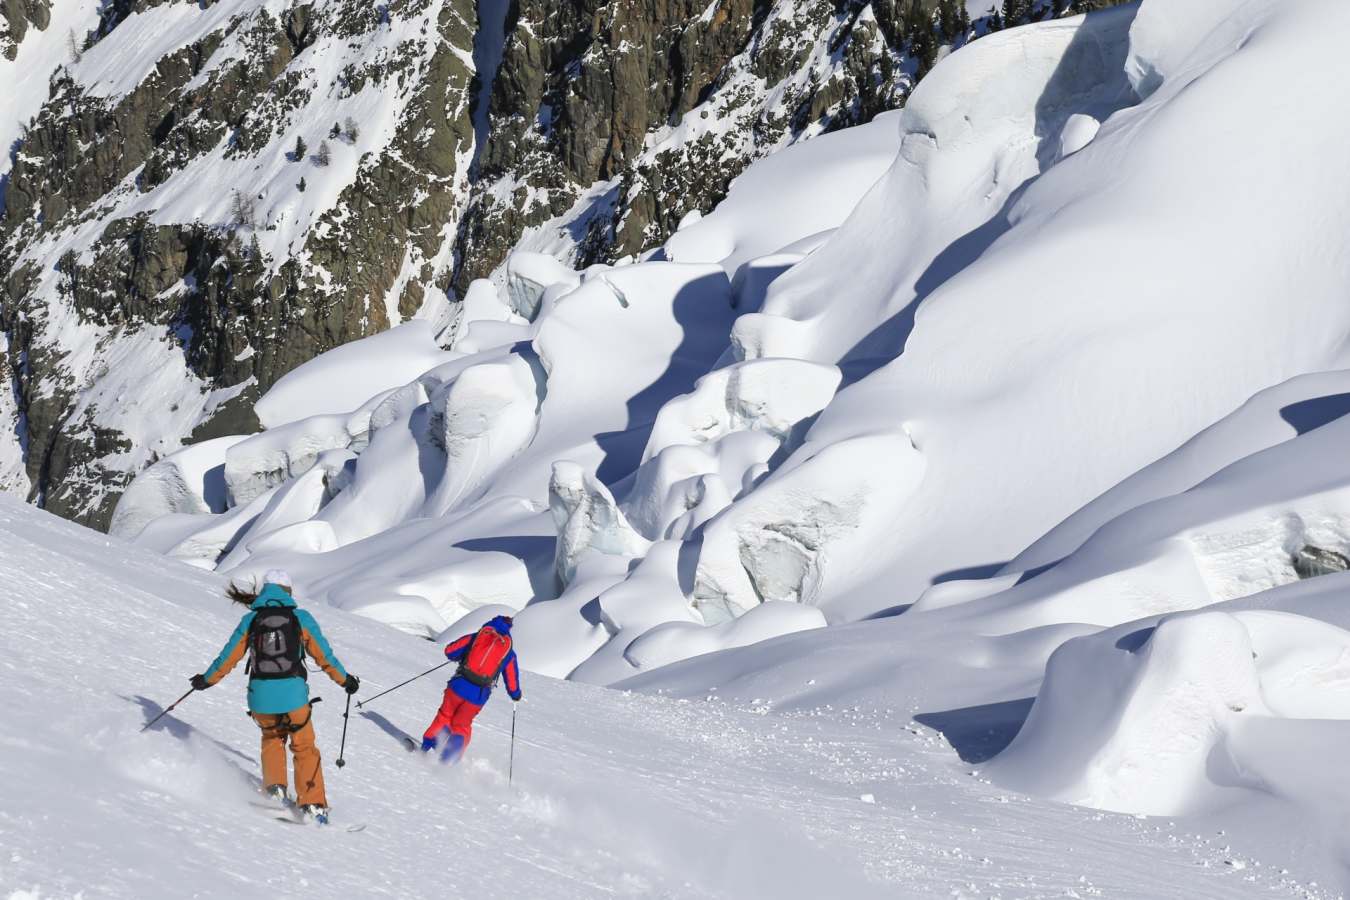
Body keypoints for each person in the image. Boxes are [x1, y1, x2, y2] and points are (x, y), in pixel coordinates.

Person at [190, 569, 359, 825]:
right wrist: (346, 680)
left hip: (260, 699)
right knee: (304, 747)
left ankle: (274, 791)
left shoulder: (251, 620)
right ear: (288, 592)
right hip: (293, 699)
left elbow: (229, 656)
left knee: (272, 737)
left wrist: (206, 679)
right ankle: (312, 804)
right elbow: (324, 656)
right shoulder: (300, 618)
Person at [421, 615, 522, 763]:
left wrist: (462, 657)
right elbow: (512, 680)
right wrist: (516, 695)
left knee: (445, 716)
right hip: (478, 696)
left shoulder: (476, 637)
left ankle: (427, 747)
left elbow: (450, 651)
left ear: (491, 622)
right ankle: (449, 759)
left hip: (458, 686)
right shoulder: (508, 653)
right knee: (461, 726)